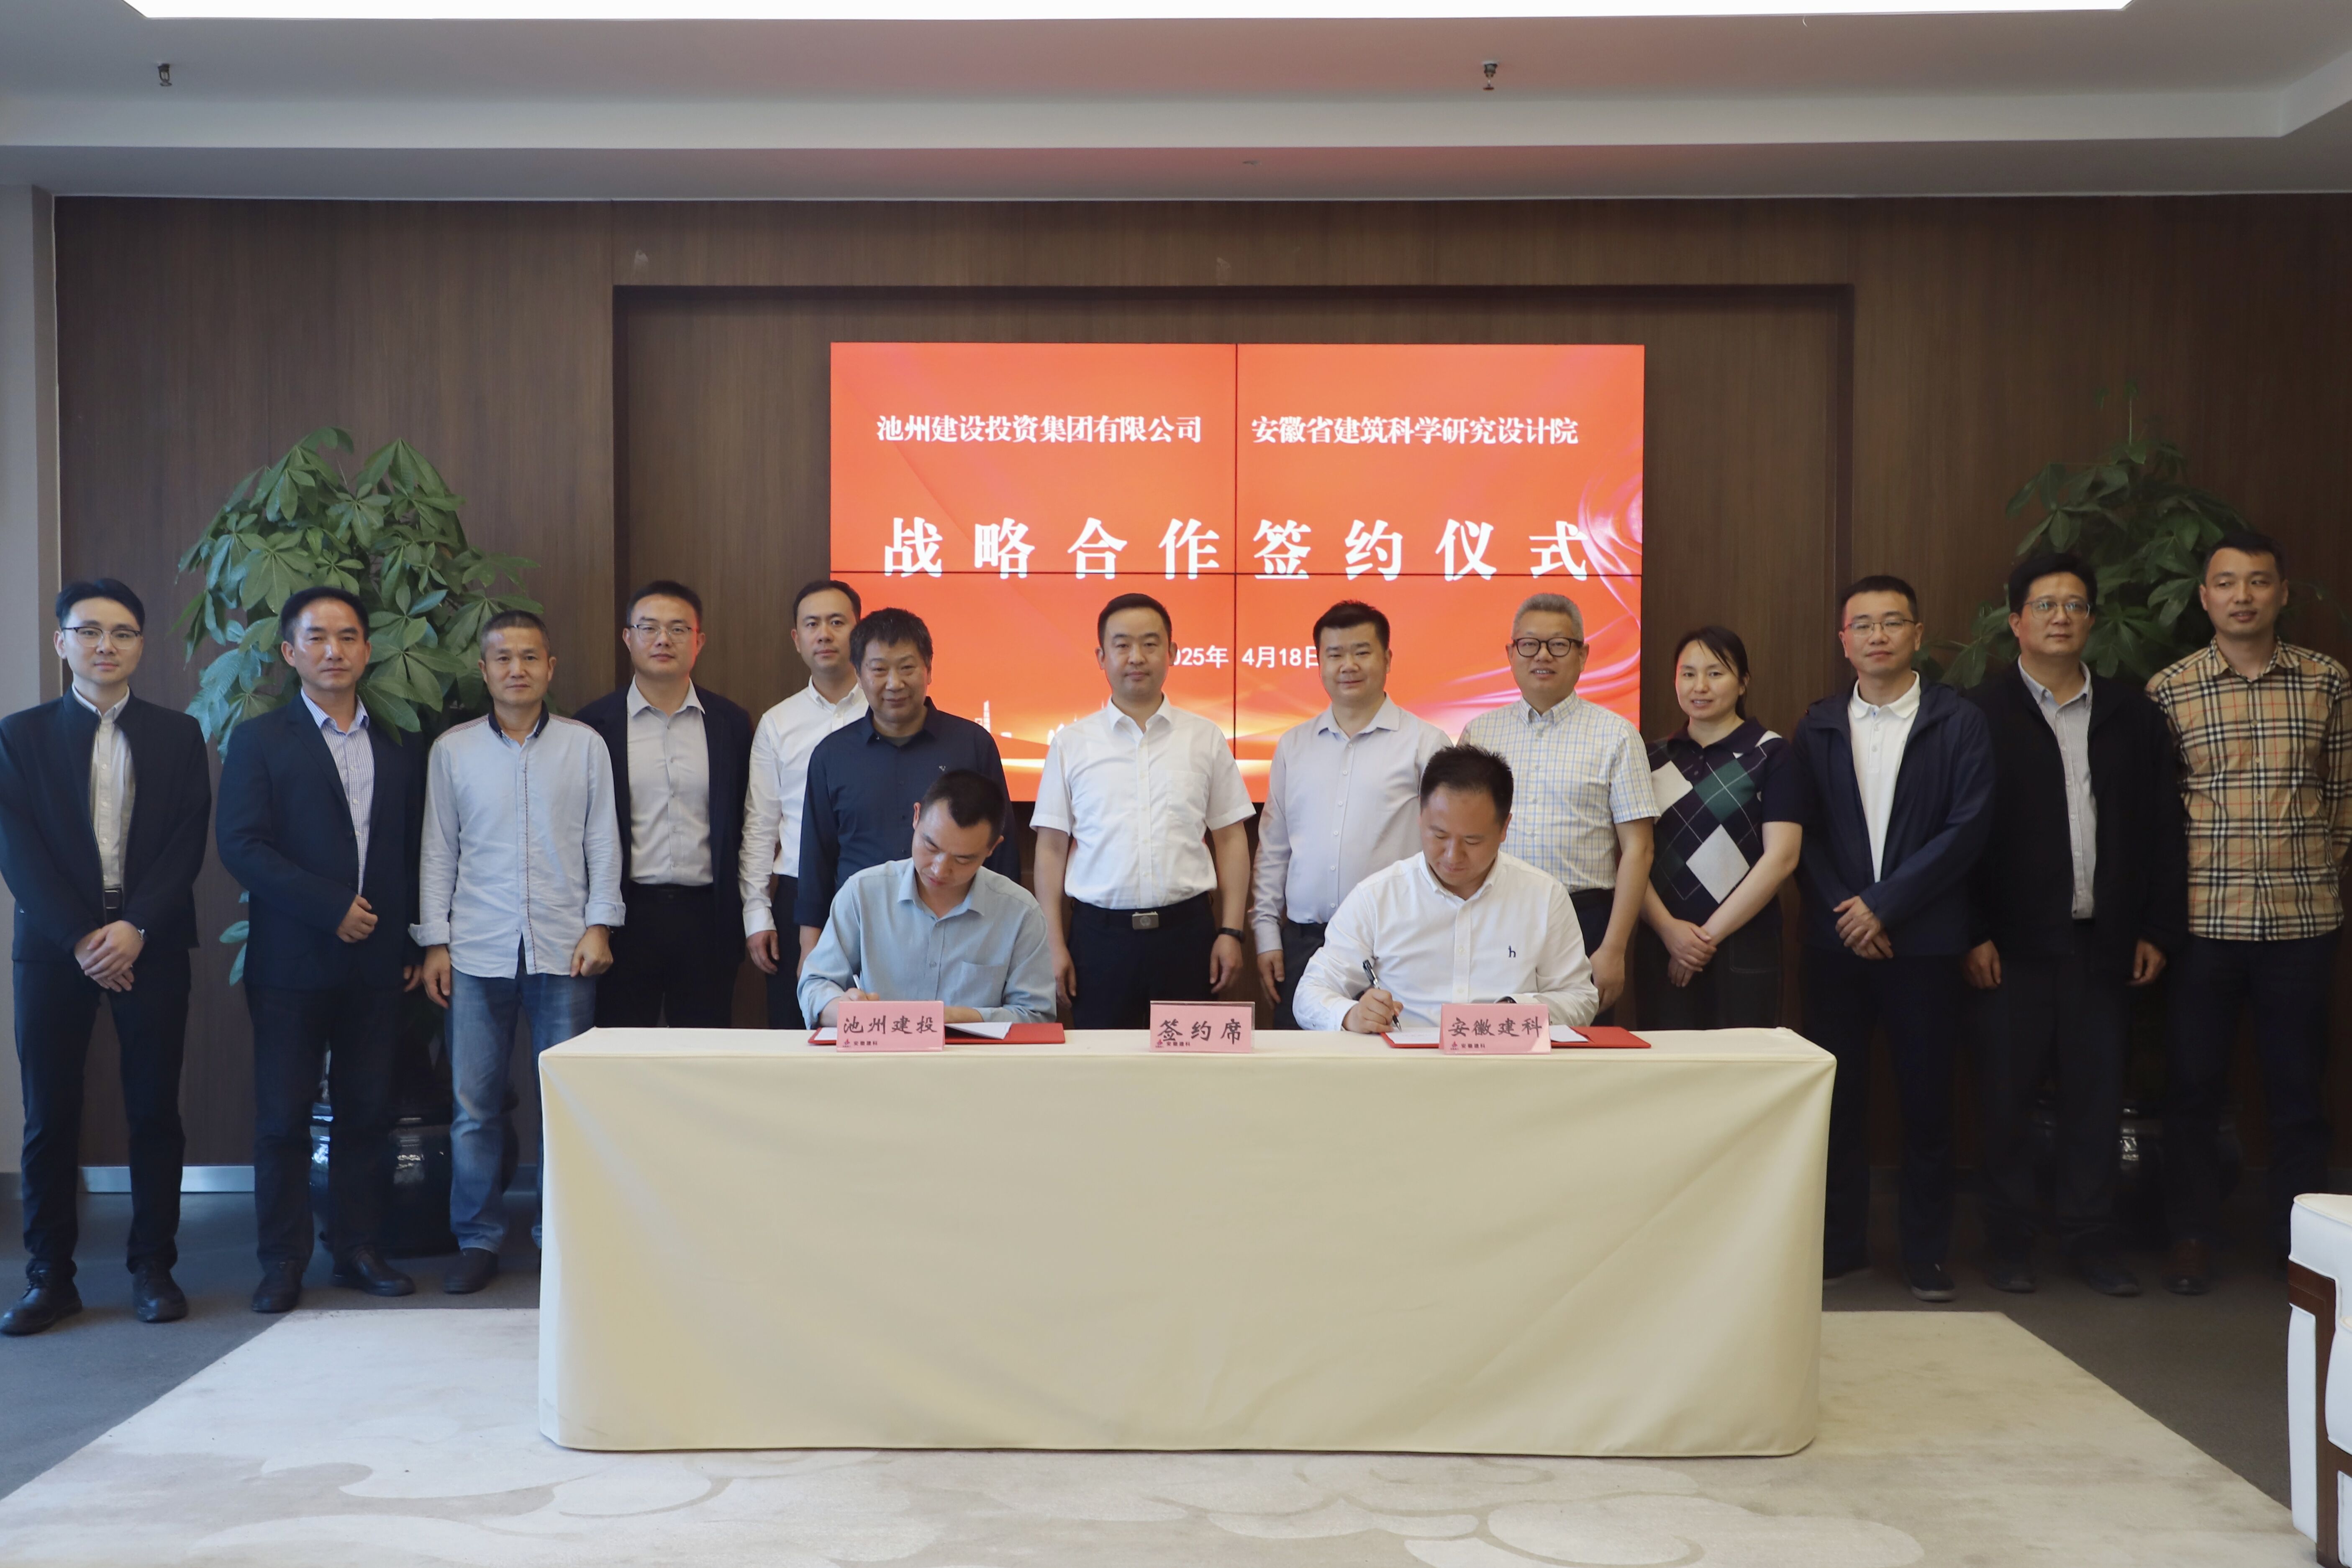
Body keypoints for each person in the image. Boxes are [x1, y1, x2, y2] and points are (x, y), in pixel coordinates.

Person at [1965, 553, 2185, 1299]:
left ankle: (2091, 1238)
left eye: (2074, 604)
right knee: (2005, 1099)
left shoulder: (2131, 714)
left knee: (2096, 1098)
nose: (2060, 616)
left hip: (2104, 940)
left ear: (2091, 619)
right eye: (2045, 604)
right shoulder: (1977, 713)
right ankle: (2008, 1240)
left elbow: (2162, 827)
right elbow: (1957, 834)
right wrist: (1972, 930)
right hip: (2009, 945)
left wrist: (2156, 927)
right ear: (2015, 621)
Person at [0, 580, 209, 1336]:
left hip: (151, 942)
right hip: (56, 948)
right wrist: (83, 940)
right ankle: (49, 1277)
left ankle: (154, 1266)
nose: (105, 645)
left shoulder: (178, 735)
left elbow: (188, 839)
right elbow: (17, 848)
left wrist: (135, 928)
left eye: (122, 632)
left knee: (154, 1109)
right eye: (89, 631)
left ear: (141, 646)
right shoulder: (19, 736)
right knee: (50, 1113)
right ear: (62, 643)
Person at [2148, 529, 2352, 1294]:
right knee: (2192, 1089)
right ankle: (2190, 1236)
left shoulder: (2326, 680)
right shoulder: (2170, 688)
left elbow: (2343, 796)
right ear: (2204, 597)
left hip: (2301, 920)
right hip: (2203, 923)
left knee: (2298, 1093)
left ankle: (2300, 1249)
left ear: (2282, 592)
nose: (2243, 596)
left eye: (2258, 581)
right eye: (2227, 583)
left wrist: (2315, 865)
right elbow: (2159, 811)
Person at [217, 585, 428, 1315]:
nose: (332, 650)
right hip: (291, 963)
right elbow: (241, 845)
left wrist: (406, 934)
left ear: (367, 649)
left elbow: (410, 850)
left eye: (347, 637)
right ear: (290, 651)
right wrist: (328, 906)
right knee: (283, 1118)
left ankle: (357, 1248)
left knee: (368, 1112)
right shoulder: (260, 740)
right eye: (316, 637)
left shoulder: (397, 744)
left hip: (377, 962)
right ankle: (282, 1260)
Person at [1793, 574, 1993, 1303]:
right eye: (1863, 624)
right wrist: (1850, 915)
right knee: (1837, 1101)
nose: (1877, 636)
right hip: (1835, 945)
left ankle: (1925, 1252)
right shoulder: (1817, 725)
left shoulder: (1958, 721)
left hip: (1925, 944)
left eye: (1892, 622)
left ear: (1917, 634)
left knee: (1928, 1102)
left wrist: (1884, 905)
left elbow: (1966, 829)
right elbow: (1803, 837)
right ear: (1843, 641)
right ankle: (1839, 1244)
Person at [413, 610, 623, 1296]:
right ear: (484, 669)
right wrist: (436, 940)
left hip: (566, 949)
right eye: (503, 658)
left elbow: (602, 840)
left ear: (550, 667)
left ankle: (557, 1234)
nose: (517, 669)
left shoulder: (585, 746)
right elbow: (439, 849)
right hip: (476, 950)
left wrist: (600, 924)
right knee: (474, 1106)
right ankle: (477, 1236)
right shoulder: (453, 751)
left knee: (565, 1102)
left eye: (530, 657)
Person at [1033, 593, 1255, 1029]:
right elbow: (1051, 849)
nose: (1136, 657)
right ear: (1101, 657)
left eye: (1150, 644)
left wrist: (1230, 932)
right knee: (1104, 1065)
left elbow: (1230, 838)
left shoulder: (1204, 738)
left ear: (1172, 653)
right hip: (1098, 941)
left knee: (1186, 1062)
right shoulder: (1070, 744)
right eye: (1122, 645)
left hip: (1187, 936)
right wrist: (1053, 944)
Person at [1294, 744, 1598, 1032]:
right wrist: (1351, 1015)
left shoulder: (1544, 897)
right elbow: (1310, 992)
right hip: (1405, 1063)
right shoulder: (1377, 896)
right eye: (1439, 836)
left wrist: (1518, 1011)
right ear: (1421, 815)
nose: (1453, 856)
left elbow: (1580, 998)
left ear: (1505, 827)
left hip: (1507, 1063)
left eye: (1472, 841)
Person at [1251, 601, 1449, 1029]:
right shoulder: (1293, 746)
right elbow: (1274, 849)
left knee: (1393, 1061)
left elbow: (1444, 848)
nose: (1348, 665)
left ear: (1387, 659)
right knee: (1299, 1064)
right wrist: (1266, 935)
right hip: (1305, 942)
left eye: (1362, 652)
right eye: (1335, 654)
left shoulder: (1427, 744)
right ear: (1319, 662)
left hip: (1395, 944)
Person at [1459, 593, 1656, 1023]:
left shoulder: (1617, 736)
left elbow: (1638, 850)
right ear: (1511, 654)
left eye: (1559, 645)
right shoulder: (1479, 733)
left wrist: (1613, 948)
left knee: (1577, 1048)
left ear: (1583, 655)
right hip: (1494, 915)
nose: (1542, 656)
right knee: (1492, 1041)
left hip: (1583, 917)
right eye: (1529, 644)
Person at [792, 607, 1018, 962]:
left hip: (960, 932)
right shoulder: (832, 755)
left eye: (907, 668)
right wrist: (810, 948)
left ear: (929, 669)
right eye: (879, 669)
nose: (894, 683)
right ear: (859, 674)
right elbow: (817, 858)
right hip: (860, 934)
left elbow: (1001, 850)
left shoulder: (973, 744)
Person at [577, 580, 753, 1030]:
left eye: (678, 629)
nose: (663, 640)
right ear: (627, 637)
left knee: (703, 1053)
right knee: (620, 1049)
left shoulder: (731, 724)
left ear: (699, 641)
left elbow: (745, 822)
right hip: (625, 916)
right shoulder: (593, 726)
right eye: (649, 628)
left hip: (708, 916)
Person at [1636, 626, 1805, 1029]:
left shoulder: (1771, 753)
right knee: (1665, 1060)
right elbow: (1631, 855)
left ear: (1743, 682)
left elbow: (1782, 858)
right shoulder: (1649, 756)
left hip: (1742, 943)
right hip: (1663, 942)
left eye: (1715, 673)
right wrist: (1669, 932)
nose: (1700, 686)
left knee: (1741, 1061)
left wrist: (1704, 940)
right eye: (1688, 673)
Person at [798, 770, 1057, 1027]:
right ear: (916, 816)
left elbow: (1037, 1015)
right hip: (882, 1051)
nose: (940, 870)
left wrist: (951, 1018)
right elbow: (815, 985)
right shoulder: (864, 893)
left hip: (973, 1054)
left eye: (963, 859)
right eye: (931, 847)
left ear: (992, 848)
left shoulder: (1020, 912)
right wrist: (844, 1009)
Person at [741, 580, 867, 1028]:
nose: (824, 634)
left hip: (873, 891)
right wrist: (757, 914)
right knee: (797, 1030)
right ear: (797, 639)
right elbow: (760, 826)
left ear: (859, 632)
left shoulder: (887, 712)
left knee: (875, 1026)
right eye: (812, 624)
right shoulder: (778, 723)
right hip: (797, 894)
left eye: (837, 622)